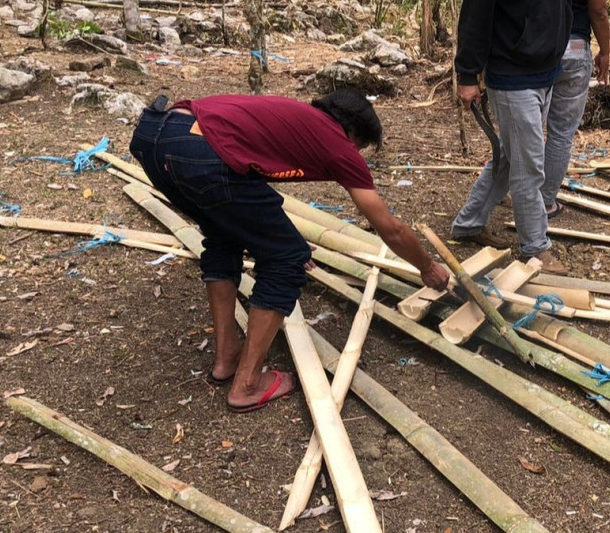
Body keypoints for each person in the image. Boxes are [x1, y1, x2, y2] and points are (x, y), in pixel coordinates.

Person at [130, 90, 450, 413]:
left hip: (157, 136)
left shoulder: (293, 117)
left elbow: (243, 192)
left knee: (223, 235)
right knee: (285, 259)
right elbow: (390, 228)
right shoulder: (336, 141)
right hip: (202, 152)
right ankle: (248, 384)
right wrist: (426, 267)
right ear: (352, 132)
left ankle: (226, 357)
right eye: (360, 147)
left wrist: (281, 237)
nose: (357, 154)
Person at [450, 0, 601, 275]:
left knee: (508, 158)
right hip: (512, 78)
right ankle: (536, 247)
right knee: (529, 166)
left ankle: (466, 225)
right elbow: (474, 20)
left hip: (545, 72)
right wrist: (467, 77)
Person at [541, 0, 610, 218]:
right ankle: (545, 201)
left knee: (527, 130)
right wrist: (605, 50)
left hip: (536, 47)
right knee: (561, 133)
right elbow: (597, 9)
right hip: (575, 46)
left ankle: (520, 194)